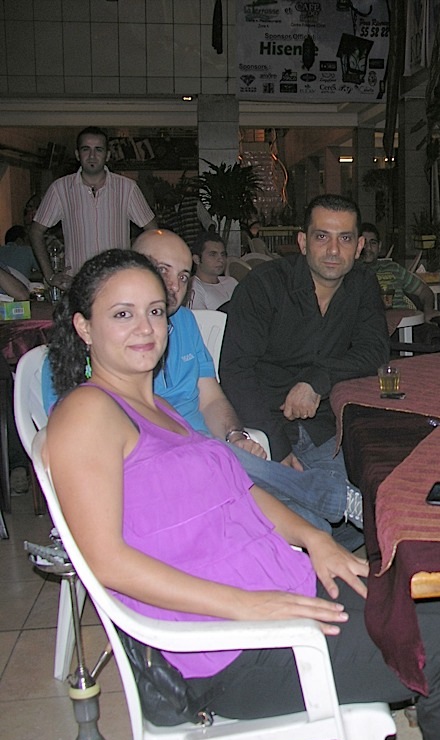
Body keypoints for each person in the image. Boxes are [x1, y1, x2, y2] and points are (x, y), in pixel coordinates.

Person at [43, 249, 440, 740]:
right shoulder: (87, 412)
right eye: (123, 314)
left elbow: (241, 492)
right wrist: (248, 607)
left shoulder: (157, 408)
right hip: (226, 647)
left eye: (155, 311)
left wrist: (316, 540)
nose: (145, 328)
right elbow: (105, 563)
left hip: (281, 585)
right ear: (84, 327)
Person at [41, 229, 360, 542]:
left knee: (315, 526)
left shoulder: (182, 324)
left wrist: (235, 435)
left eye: (183, 276)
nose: (172, 285)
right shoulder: (87, 374)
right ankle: (333, 498)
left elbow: (210, 399)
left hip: (209, 456)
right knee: (220, 459)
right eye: (161, 269)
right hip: (163, 476)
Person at [220, 195, 389, 521]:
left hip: (322, 428)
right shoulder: (265, 286)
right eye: (322, 236)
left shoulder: (362, 283)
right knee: (328, 518)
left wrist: (317, 381)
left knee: (333, 522)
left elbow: (374, 350)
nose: (333, 250)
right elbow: (235, 369)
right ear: (302, 242)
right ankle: (323, 501)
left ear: (359, 246)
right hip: (262, 424)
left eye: (345, 239)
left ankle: (308, 504)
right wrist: (277, 447)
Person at [29, 126, 157, 288]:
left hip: (118, 284)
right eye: (86, 149)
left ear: (107, 155)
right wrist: (50, 276)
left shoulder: (127, 188)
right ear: (78, 154)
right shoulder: (60, 189)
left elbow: (154, 231)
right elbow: (35, 231)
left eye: (98, 149)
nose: (92, 156)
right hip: (77, 285)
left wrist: (138, 268)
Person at [359, 222, 434, 311]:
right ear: (357, 246)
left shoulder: (393, 268)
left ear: (379, 246)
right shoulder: (352, 273)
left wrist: (429, 311)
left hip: (405, 317)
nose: (368, 248)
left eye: (373, 243)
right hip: (374, 318)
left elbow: (424, 291)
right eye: (364, 243)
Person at [188, 232, 238, 310]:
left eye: (223, 254)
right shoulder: (193, 288)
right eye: (213, 255)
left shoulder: (231, 282)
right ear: (197, 259)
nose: (221, 259)